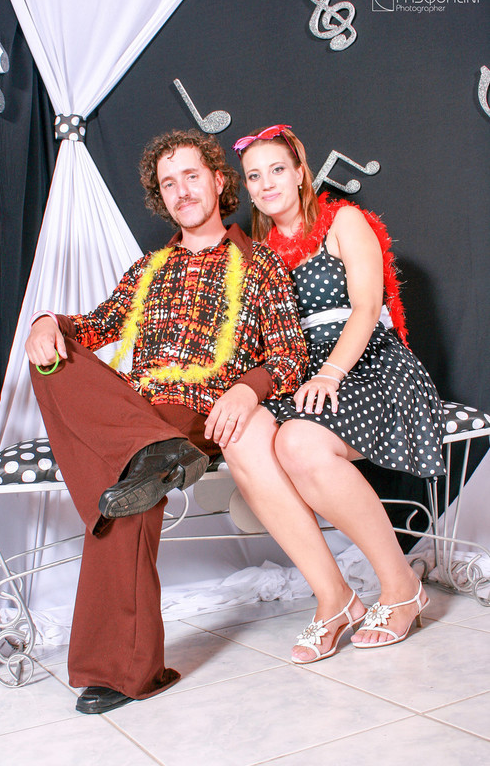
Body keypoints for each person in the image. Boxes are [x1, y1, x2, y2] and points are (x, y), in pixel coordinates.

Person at [25, 128, 307, 713]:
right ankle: (145, 455)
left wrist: (247, 391)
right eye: (168, 183)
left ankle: (121, 673)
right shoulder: (147, 269)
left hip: (198, 406)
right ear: (161, 197)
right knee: (50, 359)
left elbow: (289, 355)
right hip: (138, 409)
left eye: (191, 176)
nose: (182, 191)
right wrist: (47, 322)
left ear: (217, 180)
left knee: (121, 493)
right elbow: (96, 326)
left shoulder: (259, 266)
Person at [223, 124, 445, 664]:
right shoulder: (259, 256)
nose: (267, 182)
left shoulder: (343, 221)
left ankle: (400, 587)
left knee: (299, 445)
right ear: (248, 189)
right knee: (243, 438)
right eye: (255, 176)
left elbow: (368, 307)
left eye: (278, 169)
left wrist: (331, 373)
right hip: (302, 372)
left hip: (370, 361)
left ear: (301, 172)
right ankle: (334, 598)